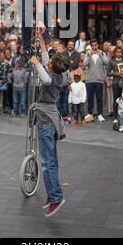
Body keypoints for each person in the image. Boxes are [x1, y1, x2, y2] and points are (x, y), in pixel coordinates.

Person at [29, 34, 69, 218]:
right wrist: (41, 42)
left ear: (52, 66)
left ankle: (56, 197)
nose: (48, 61)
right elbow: (46, 61)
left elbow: (44, 78)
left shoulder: (51, 78)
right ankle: (53, 194)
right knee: (51, 160)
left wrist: (36, 62)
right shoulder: (58, 74)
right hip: (50, 119)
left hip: (46, 121)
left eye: (50, 61)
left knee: (47, 163)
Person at [83, 39, 109, 122]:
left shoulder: (102, 53)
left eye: (95, 45)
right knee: (90, 98)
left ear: (98, 45)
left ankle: (100, 114)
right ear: (91, 46)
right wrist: (89, 55)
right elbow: (84, 64)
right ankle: (90, 113)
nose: (94, 47)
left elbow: (106, 62)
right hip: (89, 79)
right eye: (92, 45)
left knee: (99, 97)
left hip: (99, 79)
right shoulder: (87, 53)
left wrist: (100, 55)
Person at [107, 47, 123, 122]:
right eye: (117, 52)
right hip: (115, 82)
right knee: (116, 99)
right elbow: (108, 73)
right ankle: (115, 117)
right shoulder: (111, 61)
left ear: (122, 54)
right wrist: (117, 74)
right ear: (114, 53)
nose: (119, 53)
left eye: (120, 52)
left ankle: (122, 116)